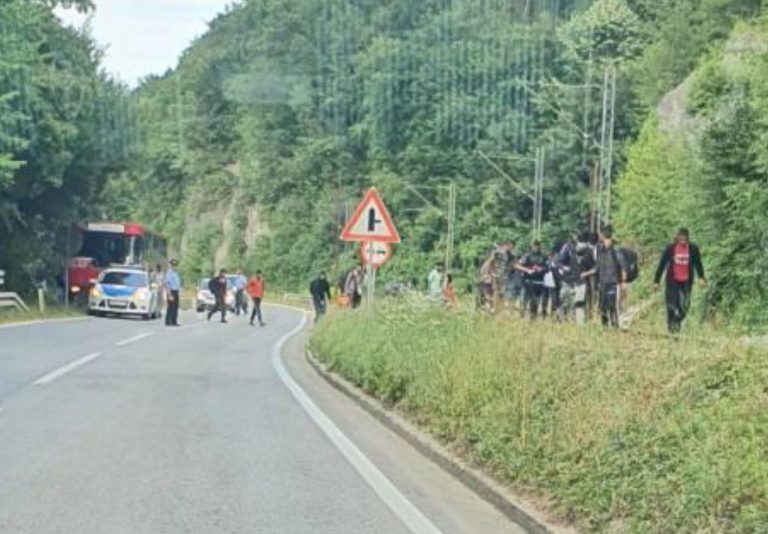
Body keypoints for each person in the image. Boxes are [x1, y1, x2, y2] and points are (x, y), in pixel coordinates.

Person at [653, 228, 706, 333]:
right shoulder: (671, 248)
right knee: (672, 304)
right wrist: (656, 281)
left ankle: (677, 320)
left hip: (686, 281)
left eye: (684, 238)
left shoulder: (693, 249)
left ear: (687, 238)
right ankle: (672, 328)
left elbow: (698, 263)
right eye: (680, 237)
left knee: (685, 306)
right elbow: (662, 264)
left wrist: (701, 277)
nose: (682, 240)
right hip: (672, 280)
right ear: (677, 237)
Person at [584, 227, 626, 329]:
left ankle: (615, 327)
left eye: (600, 235)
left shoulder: (615, 250)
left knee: (612, 306)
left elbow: (623, 266)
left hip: (613, 282)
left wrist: (624, 282)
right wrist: (586, 273)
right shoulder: (601, 250)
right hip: (603, 283)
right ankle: (605, 327)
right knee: (603, 307)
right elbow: (596, 268)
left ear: (603, 236)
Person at [558, 233, 594, 324]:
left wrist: (587, 273)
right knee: (566, 302)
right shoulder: (568, 247)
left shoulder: (589, 250)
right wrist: (565, 269)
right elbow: (560, 262)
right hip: (569, 279)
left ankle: (579, 322)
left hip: (581, 281)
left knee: (579, 303)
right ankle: (564, 320)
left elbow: (594, 266)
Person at [519, 241, 548, 319]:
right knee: (524, 300)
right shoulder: (527, 256)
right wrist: (529, 269)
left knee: (535, 301)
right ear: (532, 247)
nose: (536, 248)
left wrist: (541, 269)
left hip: (539, 281)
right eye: (534, 246)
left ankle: (533, 317)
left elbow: (548, 268)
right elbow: (520, 266)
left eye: (537, 246)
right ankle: (522, 316)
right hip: (528, 281)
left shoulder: (544, 256)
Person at [164, 259, 181, 327]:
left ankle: (174, 321)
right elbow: (167, 283)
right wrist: (169, 294)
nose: (175, 266)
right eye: (174, 265)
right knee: (171, 307)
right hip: (171, 291)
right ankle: (169, 321)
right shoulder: (169, 273)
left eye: (176, 265)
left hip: (176, 291)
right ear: (171, 265)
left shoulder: (176, 273)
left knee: (175, 307)